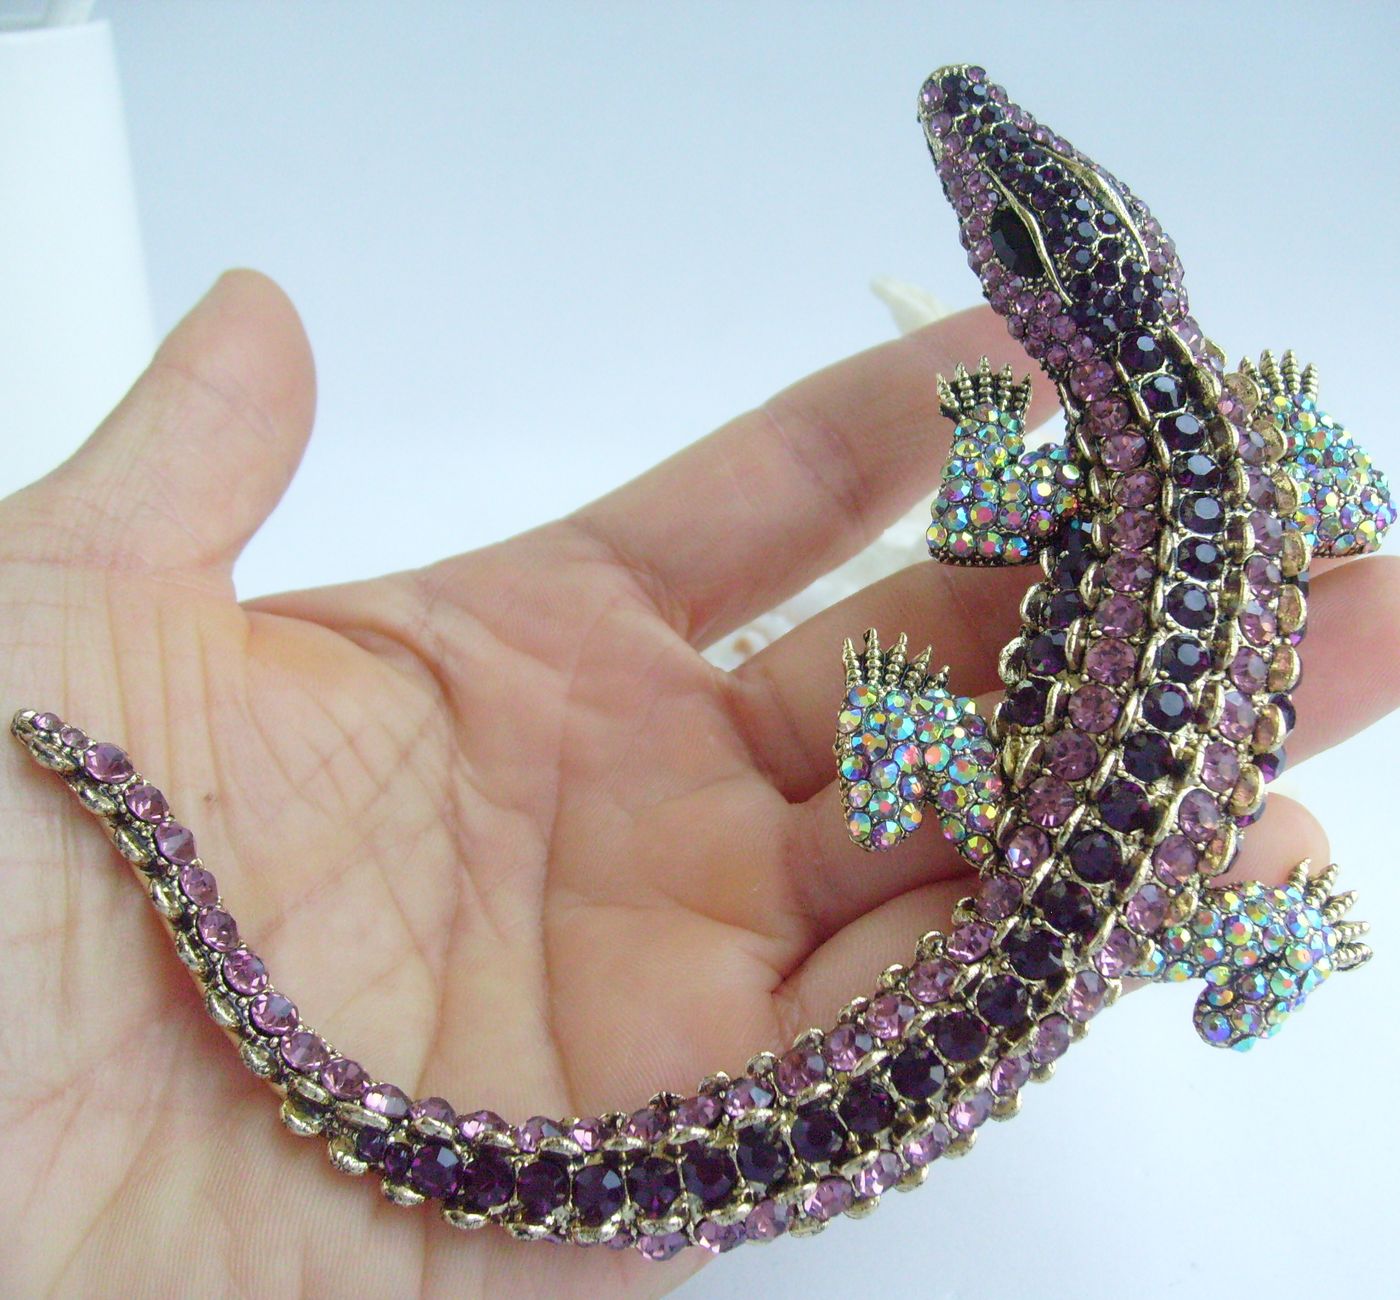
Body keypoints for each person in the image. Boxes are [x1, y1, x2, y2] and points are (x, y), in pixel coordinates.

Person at [2, 270, 1397, 1295]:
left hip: (1037, 844)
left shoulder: (1106, 487)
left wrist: (982, 422)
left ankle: (1224, 913)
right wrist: (1288, 432)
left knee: (932, 732)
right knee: (1230, 908)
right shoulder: (1249, 488)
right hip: (1088, 872)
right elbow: (1370, 504)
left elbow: (978, 518)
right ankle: (1277, 940)